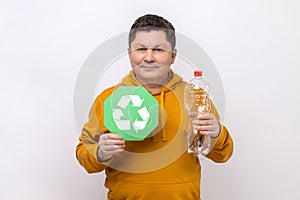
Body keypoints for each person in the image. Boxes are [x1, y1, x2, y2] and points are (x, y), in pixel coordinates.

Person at [76, 14, 233, 200]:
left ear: (173, 56)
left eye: (158, 49)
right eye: (141, 49)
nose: (149, 57)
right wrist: (100, 152)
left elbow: (222, 155)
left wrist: (216, 133)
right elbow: (85, 157)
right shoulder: (108, 99)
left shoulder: (195, 97)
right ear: (129, 54)